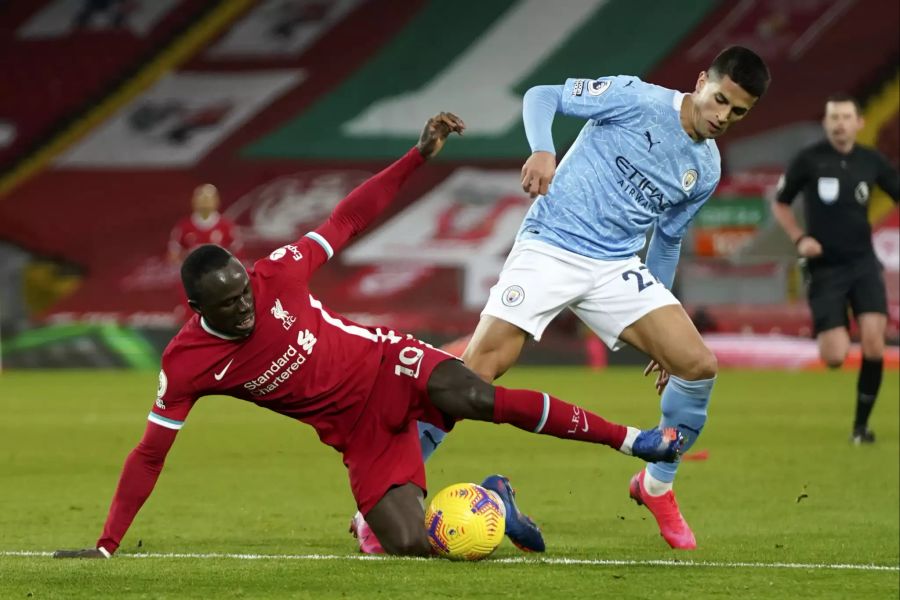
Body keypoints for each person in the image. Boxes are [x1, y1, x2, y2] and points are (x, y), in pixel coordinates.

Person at [53, 113, 684, 560]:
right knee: (409, 546)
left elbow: (346, 218)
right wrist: (107, 546)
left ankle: (634, 442)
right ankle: (493, 499)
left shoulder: (277, 272)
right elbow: (149, 455)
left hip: (390, 366)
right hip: (358, 435)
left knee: (475, 395)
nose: (245, 308)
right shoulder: (187, 364)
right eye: (228, 306)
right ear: (195, 309)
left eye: (244, 292)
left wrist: (416, 157)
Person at [395, 47, 770, 552]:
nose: (723, 116)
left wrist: (661, 311)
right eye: (720, 99)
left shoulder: (704, 169)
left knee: (697, 364)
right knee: (477, 370)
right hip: (551, 243)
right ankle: (385, 498)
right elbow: (541, 95)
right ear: (702, 81)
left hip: (614, 266)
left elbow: (667, 240)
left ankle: (657, 485)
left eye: (738, 111)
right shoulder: (635, 98)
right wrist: (542, 150)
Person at [772, 94, 899, 444]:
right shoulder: (809, 160)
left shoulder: (872, 162)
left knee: (875, 343)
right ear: (826, 123)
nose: (839, 124)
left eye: (846, 117)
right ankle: (833, 321)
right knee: (834, 356)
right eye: (833, 118)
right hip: (825, 267)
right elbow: (781, 203)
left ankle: (861, 427)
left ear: (858, 123)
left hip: (862, 263)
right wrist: (800, 240)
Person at [168, 183, 242, 264]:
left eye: (208, 199)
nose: (205, 202)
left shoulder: (227, 227)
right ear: (193, 201)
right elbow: (173, 256)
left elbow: (238, 256)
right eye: (201, 198)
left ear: (216, 201)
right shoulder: (183, 227)